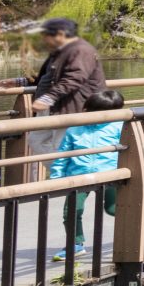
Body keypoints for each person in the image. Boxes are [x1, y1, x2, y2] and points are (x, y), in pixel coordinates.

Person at [0, 18, 107, 149]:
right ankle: (61, 162)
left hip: (70, 106)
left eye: (45, 35)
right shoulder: (61, 51)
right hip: (54, 106)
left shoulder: (81, 50)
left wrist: (48, 98)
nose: (43, 39)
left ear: (60, 34)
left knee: (60, 145)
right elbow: (49, 76)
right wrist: (21, 81)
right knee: (36, 141)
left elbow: (74, 78)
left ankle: (64, 162)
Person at [50, 93, 124, 260]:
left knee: (114, 208)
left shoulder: (118, 127)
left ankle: (140, 232)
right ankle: (75, 244)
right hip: (79, 176)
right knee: (71, 211)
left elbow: (129, 150)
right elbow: (63, 154)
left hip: (110, 174)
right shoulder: (75, 130)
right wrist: (57, 176)